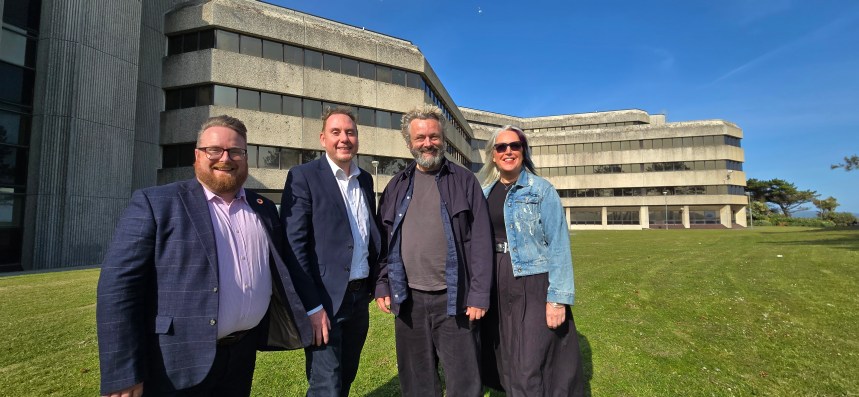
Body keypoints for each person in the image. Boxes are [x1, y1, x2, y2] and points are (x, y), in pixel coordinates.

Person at [96, 115, 312, 397]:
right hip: (175, 360)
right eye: (214, 150)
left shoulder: (263, 208)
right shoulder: (157, 203)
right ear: (197, 155)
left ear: (245, 157)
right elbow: (118, 288)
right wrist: (122, 373)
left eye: (236, 151)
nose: (226, 158)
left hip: (242, 354)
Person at [374, 105, 493, 397]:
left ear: (443, 139)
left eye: (434, 136)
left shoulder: (464, 181)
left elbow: (481, 241)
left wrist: (479, 294)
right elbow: (383, 243)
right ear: (409, 143)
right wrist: (383, 283)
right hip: (408, 300)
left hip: (455, 299)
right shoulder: (396, 186)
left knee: (464, 380)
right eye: (420, 138)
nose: (428, 143)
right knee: (417, 381)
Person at [476, 125, 585, 396]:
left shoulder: (542, 190)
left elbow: (559, 244)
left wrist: (557, 299)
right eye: (501, 147)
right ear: (493, 155)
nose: (508, 151)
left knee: (529, 358)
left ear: (523, 152)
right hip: (496, 280)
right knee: (505, 352)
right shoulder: (484, 193)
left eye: (515, 146)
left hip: (532, 280)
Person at [280, 108, 381, 397]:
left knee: (346, 375)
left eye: (350, 132)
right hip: (324, 301)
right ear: (323, 138)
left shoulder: (365, 180)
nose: (344, 138)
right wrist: (312, 308)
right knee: (326, 384)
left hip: (359, 299)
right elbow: (294, 247)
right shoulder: (303, 177)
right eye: (336, 132)